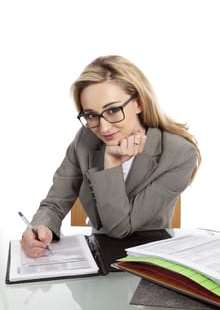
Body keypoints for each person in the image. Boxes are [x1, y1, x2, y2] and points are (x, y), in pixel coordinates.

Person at [21, 55, 201, 257]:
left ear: (139, 103)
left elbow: (119, 229)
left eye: (113, 110)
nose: (103, 127)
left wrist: (112, 163)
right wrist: (40, 227)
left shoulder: (179, 153)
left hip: (151, 256)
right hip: (97, 251)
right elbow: (55, 202)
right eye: (91, 115)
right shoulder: (85, 140)